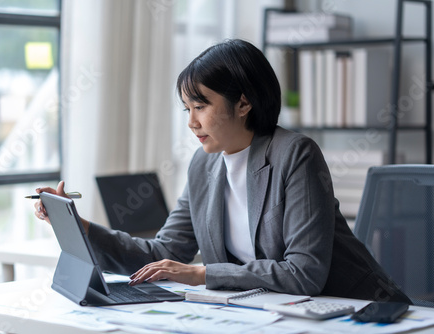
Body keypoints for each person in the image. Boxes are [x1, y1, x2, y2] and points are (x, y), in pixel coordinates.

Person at [34, 39, 411, 303]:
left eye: (201, 106)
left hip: (360, 312)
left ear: (243, 102)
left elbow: (304, 272)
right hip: (275, 316)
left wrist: (201, 274)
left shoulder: (295, 155)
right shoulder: (204, 164)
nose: (192, 122)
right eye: (187, 109)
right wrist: (78, 225)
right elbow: (164, 253)